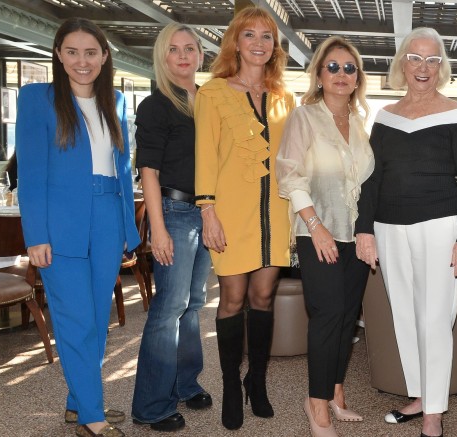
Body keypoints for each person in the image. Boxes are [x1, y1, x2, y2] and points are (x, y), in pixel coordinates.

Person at [16, 17, 140, 437]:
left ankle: (78, 403)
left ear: (104, 56)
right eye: (72, 52)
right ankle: (91, 416)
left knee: (97, 319)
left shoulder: (115, 101)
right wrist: (36, 235)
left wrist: (127, 229)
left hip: (107, 221)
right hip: (60, 224)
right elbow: (31, 174)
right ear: (58, 54)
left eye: (90, 52)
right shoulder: (37, 98)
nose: (81, 61)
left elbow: (122, 167)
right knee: (76, 320)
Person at [355, 27, 457, 437]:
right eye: (415, 57)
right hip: (388, 227)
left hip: (440, 226)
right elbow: (372, 178)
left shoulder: (455, 114)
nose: (423, 66)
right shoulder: (386, 116)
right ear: (402, 64)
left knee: (435, 317)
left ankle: (434, 413)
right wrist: (364, 229)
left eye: (432, 59)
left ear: (441, 67)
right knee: (404, 315)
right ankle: (422, 395)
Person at [194, 6, 294, 431]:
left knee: (264, 297)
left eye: (266, 36)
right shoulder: (212, 93)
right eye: (249, 34)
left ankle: (258, 380)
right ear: (235, 42)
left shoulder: (284, 98)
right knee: (232, 298)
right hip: (229, 213)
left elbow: (292, 159)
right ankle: (231, 385)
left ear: (275, 47)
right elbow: (205, 156)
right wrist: (208, 211)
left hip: (277, 213)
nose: (258, 43)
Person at [275, 36, 373, 437]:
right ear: (318, 74)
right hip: (317, 231)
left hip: (355, 237)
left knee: (348, 317)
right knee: (328, 314)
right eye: (332, 67)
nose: (341, 74)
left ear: (357, 78)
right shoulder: (304, 117)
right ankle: (316, 404)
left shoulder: (360, 124)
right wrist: (316, 227)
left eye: (349, 68)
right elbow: (290, 174)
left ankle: (335, 391)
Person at [130, 23, 211, 432]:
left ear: (200, 55)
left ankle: (185, 384)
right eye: (173, 49)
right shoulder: (156, 105)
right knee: (169, 308)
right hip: (174, 213)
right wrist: (157, 229)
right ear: (163, 57)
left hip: (206, 212)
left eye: (189, 48)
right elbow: (149, 171)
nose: (182, 56)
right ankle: (151, 406)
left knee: (193, 304)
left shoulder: (208, 100)